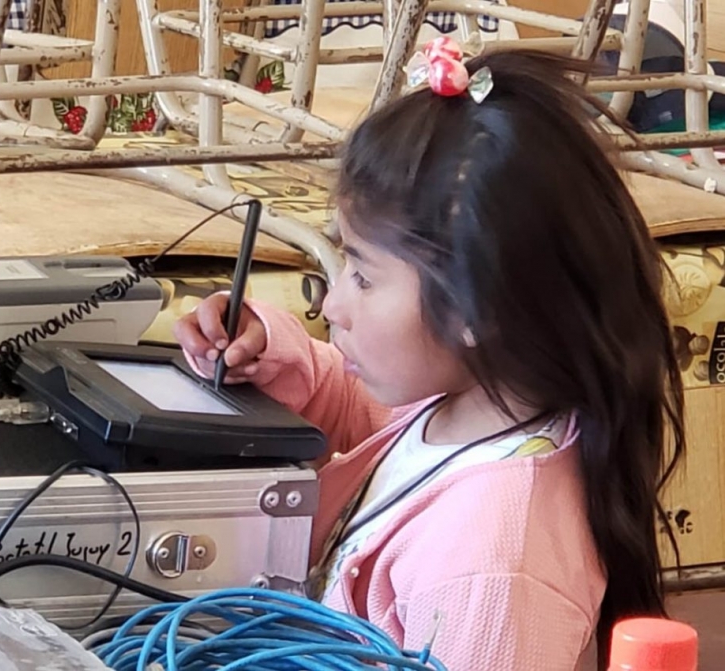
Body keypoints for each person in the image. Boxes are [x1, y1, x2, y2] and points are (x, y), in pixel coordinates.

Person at [174, 44, 685, 670]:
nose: (333, 305)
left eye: (363, 276)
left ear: (475, 307)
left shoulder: (491, 569)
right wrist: (269, 352)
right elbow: (365, 413)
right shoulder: (471, 404)